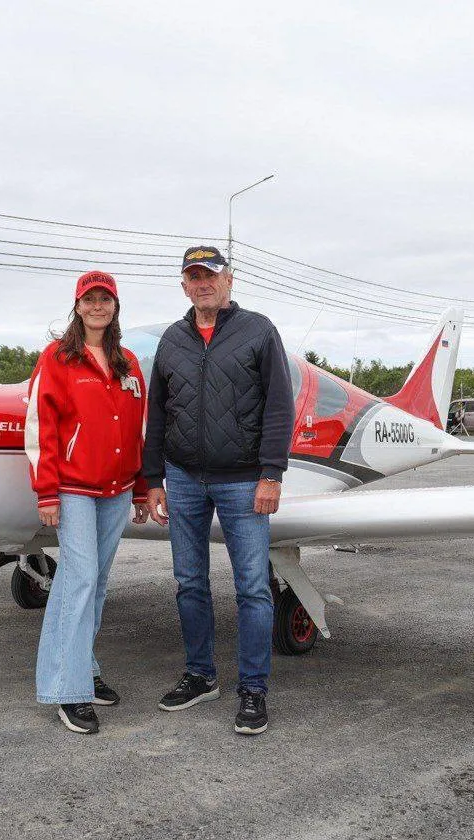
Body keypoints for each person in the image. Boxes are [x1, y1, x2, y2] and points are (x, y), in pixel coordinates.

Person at [142, 246, 295, 736]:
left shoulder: (258, 330)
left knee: (252, 587)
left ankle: (252, 688)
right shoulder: (173, 339)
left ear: (229, 280)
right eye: (193, 277)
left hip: (244, 479)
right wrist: (152, 479)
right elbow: (158, 415)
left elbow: (278, 405)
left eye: (210, 275)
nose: (202, 283)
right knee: (189, 582)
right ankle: (200, 673)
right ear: (184, 286)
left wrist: (271, 473)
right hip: (183, 478)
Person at [24, 270, 150, 734]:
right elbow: (41, 429)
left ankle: (86, 670)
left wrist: (138, 487)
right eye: (89, 299)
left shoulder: (128, 362)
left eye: (106, 299)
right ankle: (65, 689)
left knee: (95, 583)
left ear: (115, 307)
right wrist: (47, 491)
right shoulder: (58, 359)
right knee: (76, 582)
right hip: (75, 489)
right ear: (77, 306)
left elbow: (138, 427)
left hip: (116, 491)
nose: (98, 306)